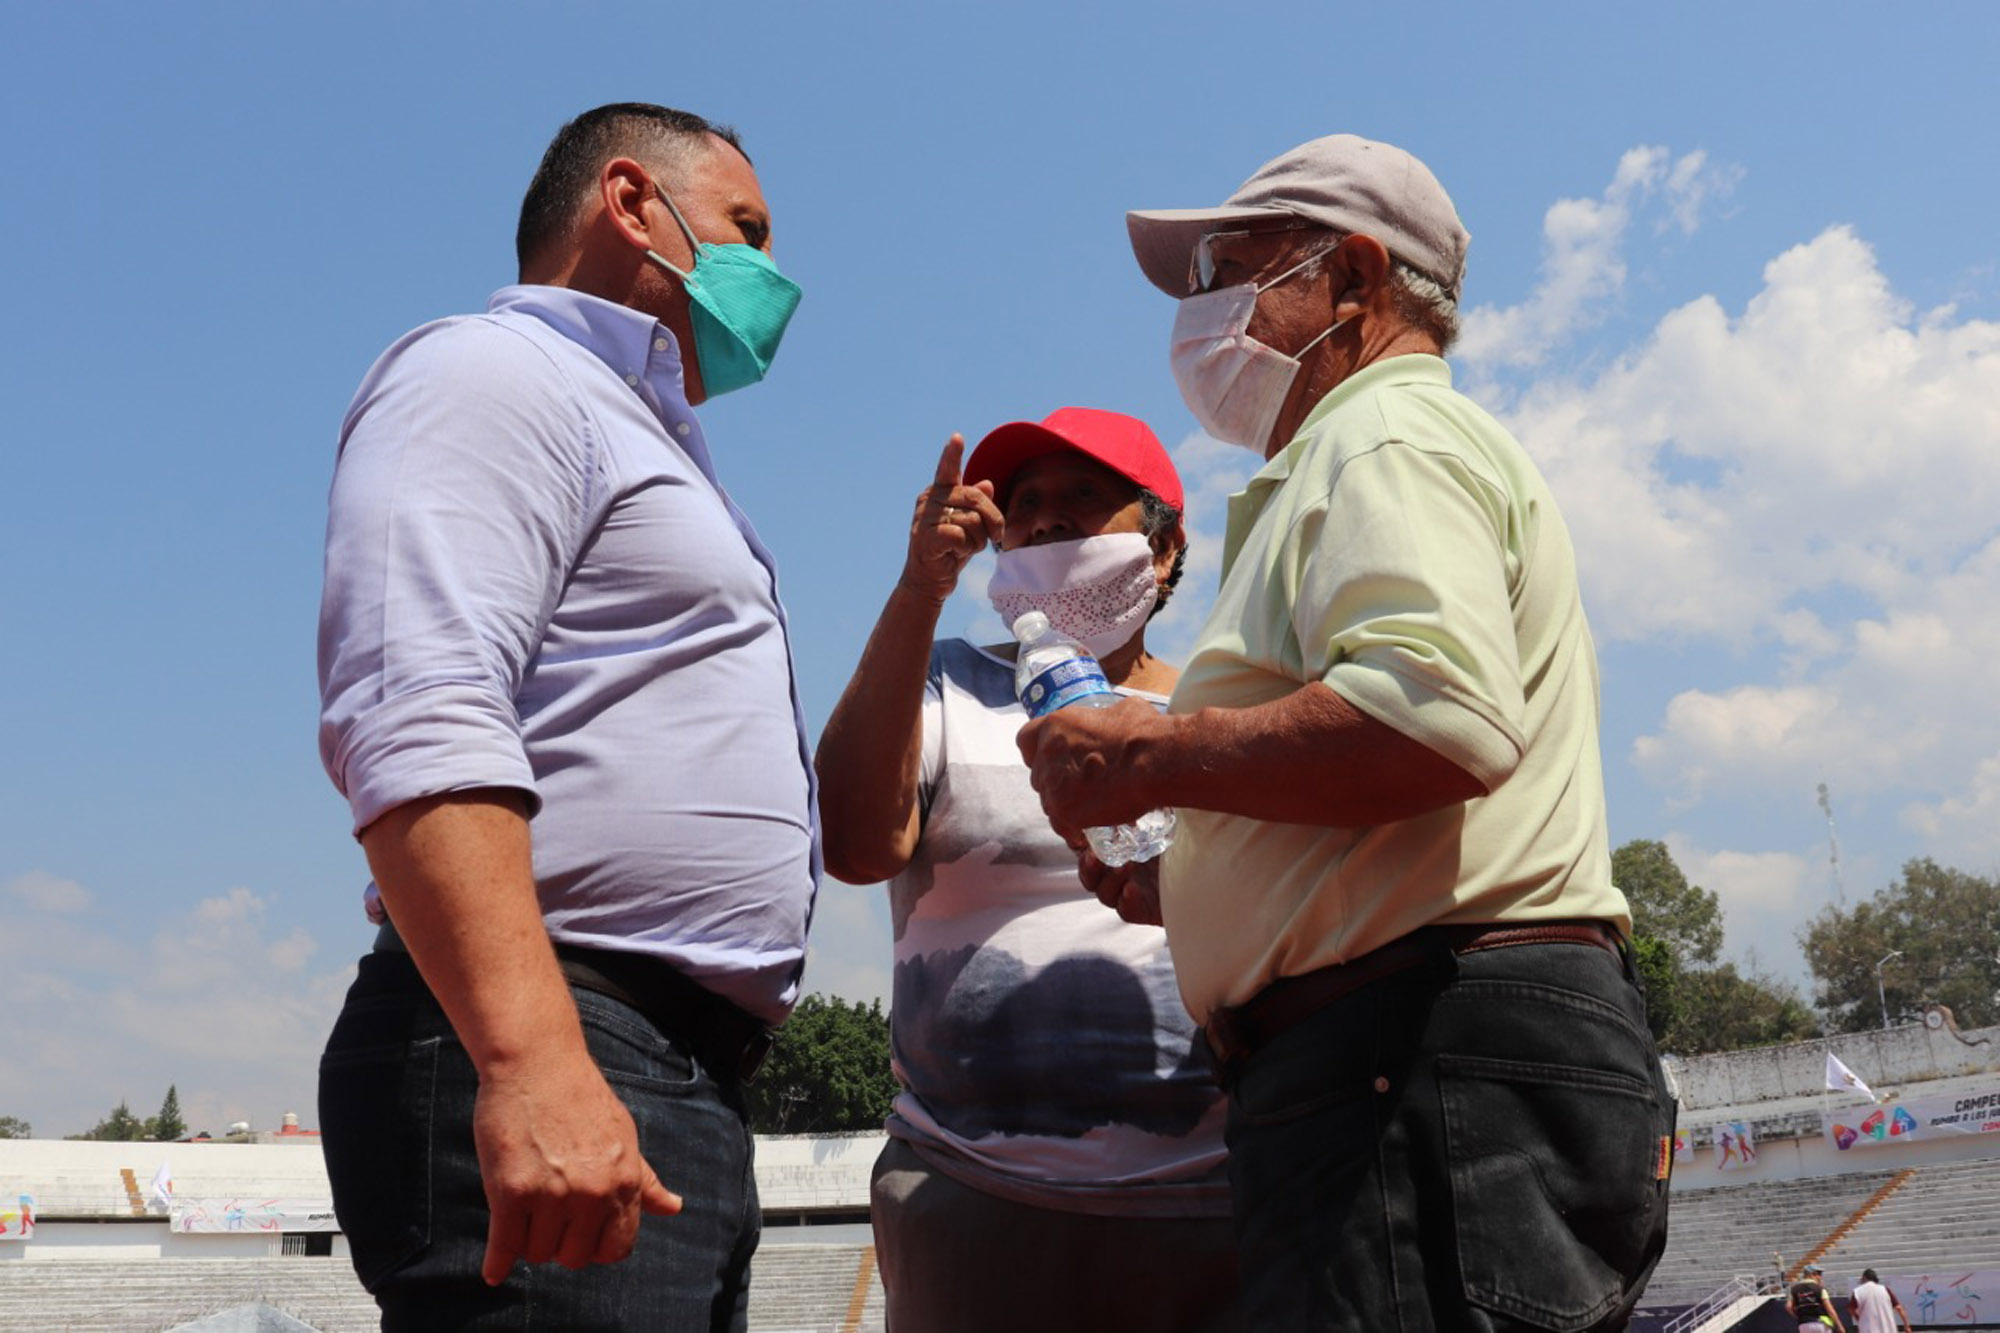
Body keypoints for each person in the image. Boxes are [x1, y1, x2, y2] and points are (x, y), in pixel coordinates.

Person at [1016, 134, 1676, 1330]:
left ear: (1357, 282)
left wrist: (1144, 754)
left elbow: (1429, 720)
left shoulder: (1378, 439)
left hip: (1408, 1064)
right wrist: (1203, 879)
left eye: (1231, 270)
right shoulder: (1356, 454)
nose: (1201, 313)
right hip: (1402, 1061)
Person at [316, 102, 817, 1331]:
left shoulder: (640, 433)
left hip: (668, 1069)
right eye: (745, 231)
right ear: (633, 204)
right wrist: (531, 1060)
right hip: (570, 1032)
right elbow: (418, 706)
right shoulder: (490, 373)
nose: (770, 275)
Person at [815, 409, 1240, 1330]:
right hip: (973, 1197)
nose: (1047, 521)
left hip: (1218, 1198)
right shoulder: (944, 680)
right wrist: (917, 589)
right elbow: (852, 843)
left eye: (1086, 499)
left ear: (1163, 550)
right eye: (1027, 503)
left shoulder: (1227, 699)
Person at [1850, 1269, 1912, 1333]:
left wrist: (1859, 1319)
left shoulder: (1858, 1292)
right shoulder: (1885, 1289)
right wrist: (1907, 1326)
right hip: (1889, 1329)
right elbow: (1899, 1308)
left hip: (1868, 1329)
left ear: (1864, 1278)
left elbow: (1851, 1309)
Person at [1789, 1264, 1846, 1331]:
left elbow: (1788, 1306)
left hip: (1804, 1324)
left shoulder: (1795, 1289)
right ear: (1812, 1274)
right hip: (1820, 1323)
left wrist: (1798, 1316)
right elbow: (1830, 1310)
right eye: (1819, 1274)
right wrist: (1839, 1326)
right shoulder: (1819, 1289)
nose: (1820, 1277)